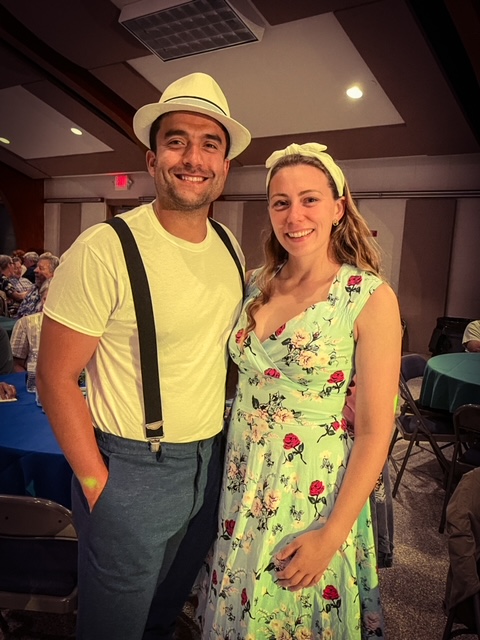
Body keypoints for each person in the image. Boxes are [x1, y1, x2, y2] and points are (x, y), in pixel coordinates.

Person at [36, 72, 251, 640]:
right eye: (177, 141)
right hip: (132, 468)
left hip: (209, 462)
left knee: (163, 618)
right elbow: (54, 377)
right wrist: (98, 485)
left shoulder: (229, 246)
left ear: (225, 166)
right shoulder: (104, 247)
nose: (193, 158)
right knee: (113, 629)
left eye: (209, 144)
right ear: (153, 160)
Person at [199, 143, 402, 639]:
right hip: (241, 476)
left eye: (310, 200)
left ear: (338, 208)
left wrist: (331, 535)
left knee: (290, 613)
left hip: (310, 487)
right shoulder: (255, 283)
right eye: (281, 203)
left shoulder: (368, 297)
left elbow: (376, 432)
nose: (294, 216)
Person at [11, 279, 50, 372]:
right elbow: (15, 364)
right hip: (32, 377)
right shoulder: (25, 323)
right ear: (43, 300)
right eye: (46, 299)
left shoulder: (75, 326)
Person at [16, 253, 59, 318]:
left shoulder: (53, 292)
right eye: (36, 267)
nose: (35, 270)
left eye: (41, 268)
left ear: (53, 273)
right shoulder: (34, 287)